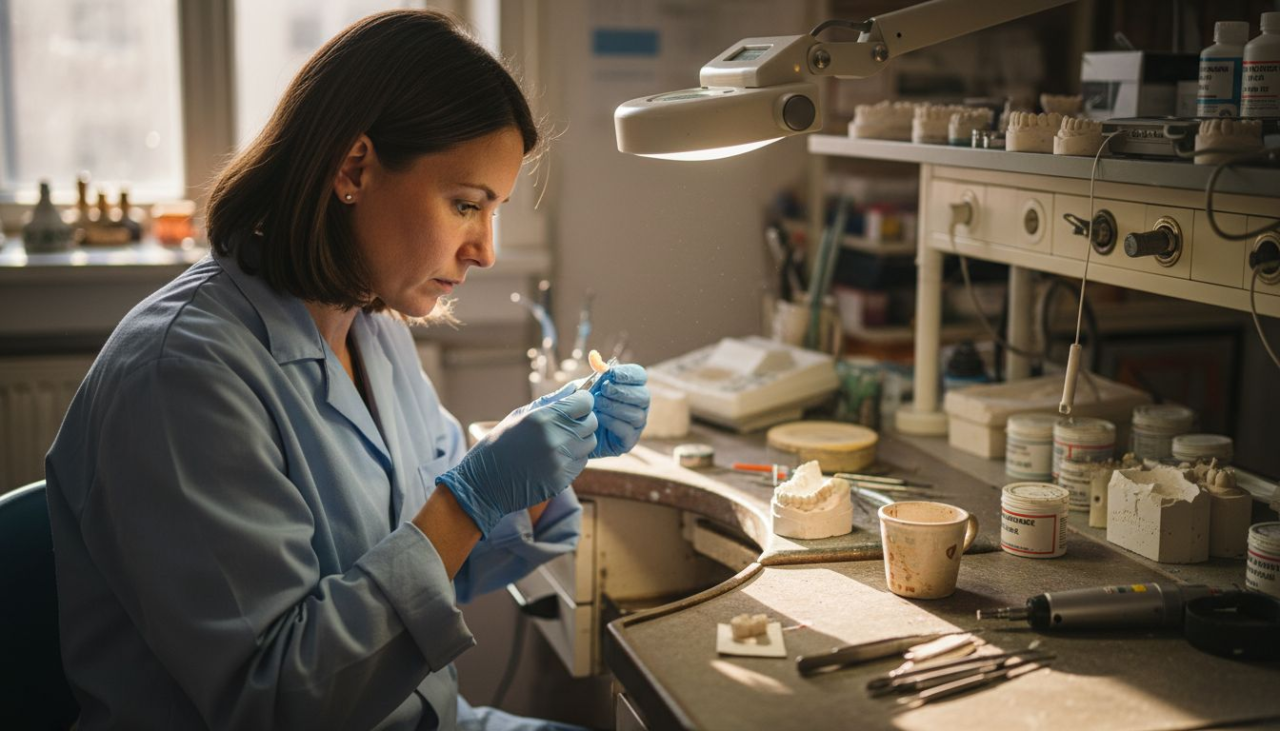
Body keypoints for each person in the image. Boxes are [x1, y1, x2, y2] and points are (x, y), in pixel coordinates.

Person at [45, 10, 649, 731]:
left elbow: (437, 554)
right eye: (465, 205)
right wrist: (474, 494)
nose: (485, 250)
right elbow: (277, 701)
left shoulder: (371, 328)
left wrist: (539, 470)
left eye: (497, 213)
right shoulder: (181, 373)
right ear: (354, 168)